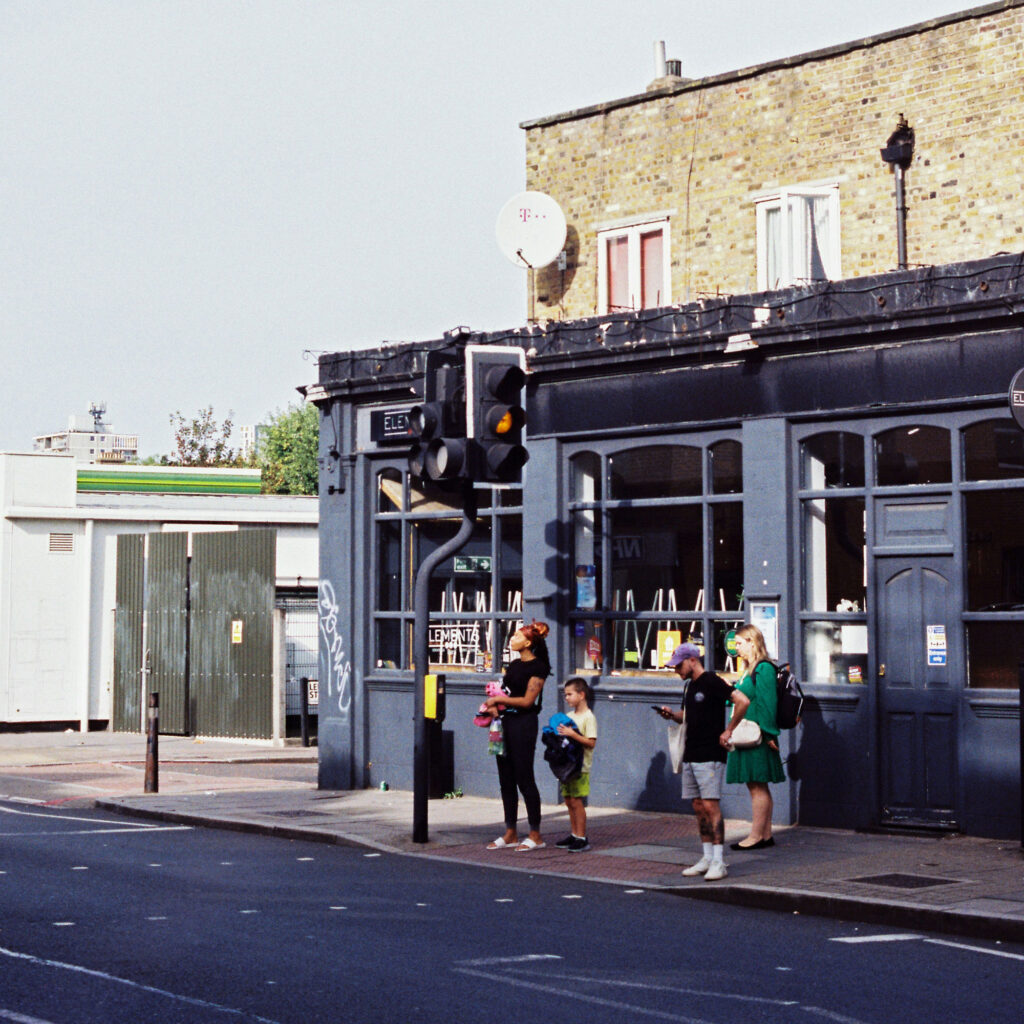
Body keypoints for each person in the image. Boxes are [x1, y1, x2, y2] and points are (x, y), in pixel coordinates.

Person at [657, 642, 750, 881]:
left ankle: (719, 860)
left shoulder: (711, 681)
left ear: (692, 660)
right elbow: (687, 717)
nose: (676, 670)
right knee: (698, 806)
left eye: (678, 666)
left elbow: (742, 701)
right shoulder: (689, 686)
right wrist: (672, 715)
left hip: (710, 753)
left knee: (710, 806)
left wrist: (729, 730)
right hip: (691, 752)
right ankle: (707, 856)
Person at [483, 620, 552, 852]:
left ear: (529, 643)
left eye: (517, 636)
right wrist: (494, 705)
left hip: (524, 724)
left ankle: (535, 834)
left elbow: (527, 701)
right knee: (506, 778)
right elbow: (505, 691)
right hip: (503, 723)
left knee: (524, 777)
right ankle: (510, 832)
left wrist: (498, 700)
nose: (512, 639)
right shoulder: (513, 665)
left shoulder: (539, 668)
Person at [722, 624, 786, 850]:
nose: (736, 648)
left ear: (752, 642)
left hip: (757, 736)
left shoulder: (763, 669)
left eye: (739, 643)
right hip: (751, 734)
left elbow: (768, 704)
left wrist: (769, 735)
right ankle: (765, 835)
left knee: (757, 787)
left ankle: (756, 836)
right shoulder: (749, 669)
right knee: (758, 786)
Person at [554, 677, 598, 852]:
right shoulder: (569, 717)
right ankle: (574, 834)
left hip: (580, 767)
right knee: (568, 800)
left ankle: (582, 837)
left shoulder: (589, 717)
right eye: (565, 695)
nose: (566, 698)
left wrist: (572, 734)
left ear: (581, 695)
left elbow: (591, 742)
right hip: (567, 766)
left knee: (577, 801)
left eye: (569, 694)